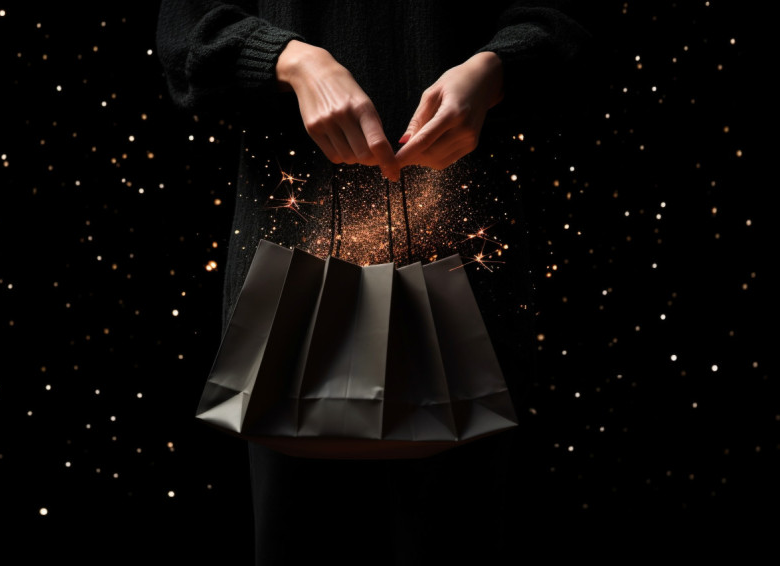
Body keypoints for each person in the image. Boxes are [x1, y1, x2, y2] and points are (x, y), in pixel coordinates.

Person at [156, 2, 590, 563]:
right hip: (291, 289)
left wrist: (496, 68)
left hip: (472, 293)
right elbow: (182, 35)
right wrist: (291, 60)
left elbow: (574, 23)